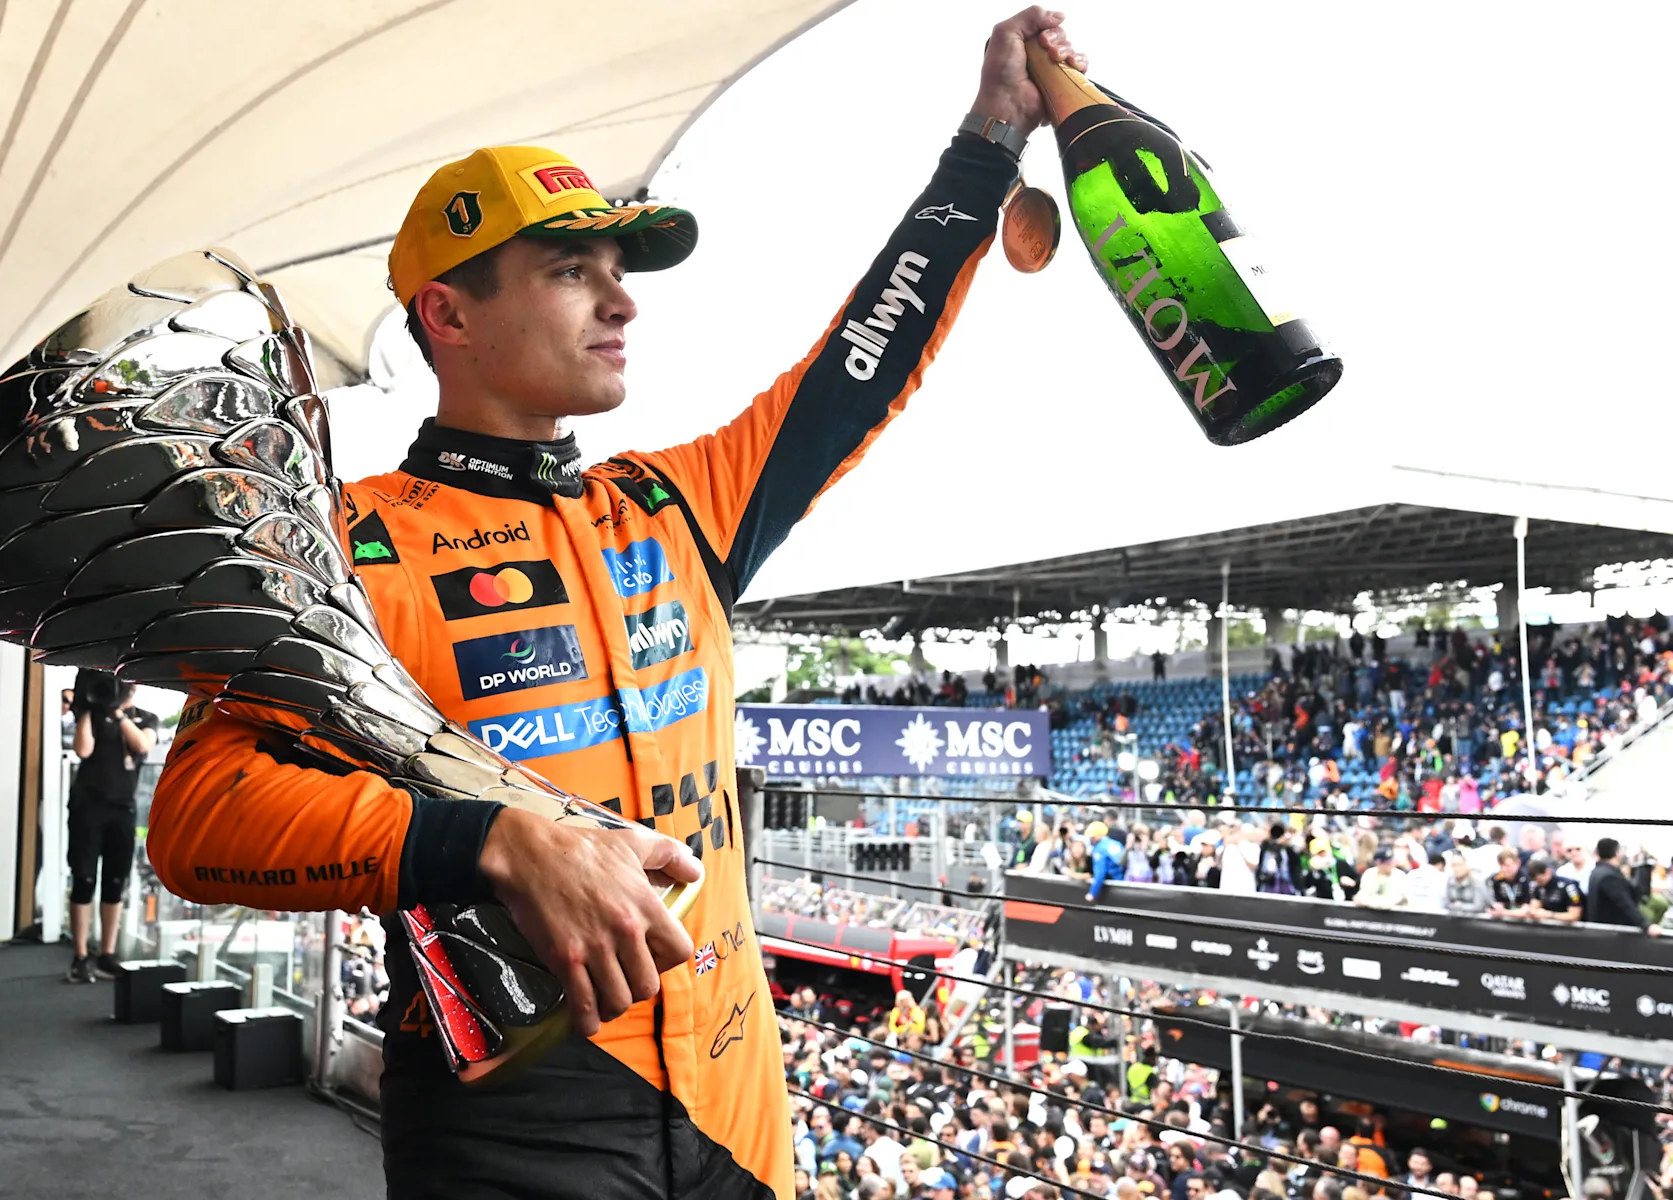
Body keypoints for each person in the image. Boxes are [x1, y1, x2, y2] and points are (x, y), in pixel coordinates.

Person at [143, 11, 1088, 1196]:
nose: (621, 302)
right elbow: (197, 818)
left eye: (619, 272)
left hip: (741, 1105)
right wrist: (488, 841)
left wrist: (992, 137)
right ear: (449, 315)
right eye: (570, 270)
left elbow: (863, 363)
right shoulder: (348, 543)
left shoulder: (674, 506)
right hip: (513, 1112)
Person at [64, 670, 158, 983]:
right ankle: (80, 955)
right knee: (84, 878)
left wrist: (118, 714)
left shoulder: (145, 718)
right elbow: (83, 750)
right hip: (87, 808)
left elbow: (143, 745)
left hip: (123, 809)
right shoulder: (91, 713)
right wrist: (88, 709)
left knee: (115, 883)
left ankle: (107, 953)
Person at [1582, 837, 1662, 934]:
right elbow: (1624, 903)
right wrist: (1647, 925)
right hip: (1612, 934)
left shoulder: (1596, 872)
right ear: (1616, 853)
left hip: (1601, 931)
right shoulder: (1609, 876)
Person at [1525, 856, 1584, 923]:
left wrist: (1549, 915)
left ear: (1548, 872)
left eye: (1540, 881)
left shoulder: (1569, 887)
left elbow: (1574, 916)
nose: (1537, 884)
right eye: (1535, 881)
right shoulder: (1537, 886)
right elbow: (1534, 908)